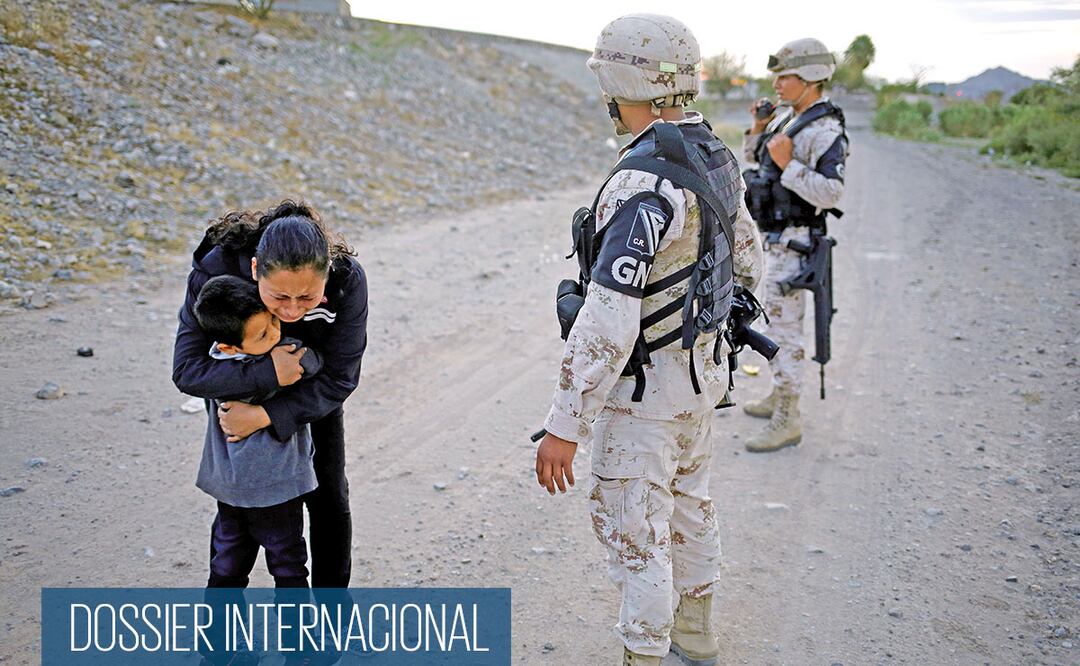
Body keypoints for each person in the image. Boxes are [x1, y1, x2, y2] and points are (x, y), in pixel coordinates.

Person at [534, 14, 763, 666]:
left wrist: (564, 424)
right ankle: (696, 631)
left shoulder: (642, 181)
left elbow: (608, 320)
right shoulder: (715, 155)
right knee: (691, 506)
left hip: (644, 396)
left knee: (636, 534)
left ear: (619, 83)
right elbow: (750, 263)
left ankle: (644, 653)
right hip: (701, 378)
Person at [173, 201, 368, 589]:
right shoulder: (217, 273)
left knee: (328, 494)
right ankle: (224, 616)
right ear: (254, 270)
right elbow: (188, 369)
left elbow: (340, 378)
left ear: (327, 273)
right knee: (238, 506)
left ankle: (330, 615)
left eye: (308, 298)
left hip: (313, 394)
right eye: (279, 298)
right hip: (238, 391)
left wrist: (267, 415)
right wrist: (267, 373)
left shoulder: (347, 280)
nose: (292, 311)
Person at [740, 38, 849, 453]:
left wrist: (790, 165)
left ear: (811, 78)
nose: (777, 84)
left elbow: (831, 192)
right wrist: (758, 128)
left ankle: (789, 417)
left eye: (785, 76)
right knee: (773, 322)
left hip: (796, 242)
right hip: (773, 239)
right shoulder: (788, 119)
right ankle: (778, 394)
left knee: (784, 330)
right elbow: (757, 160)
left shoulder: (826, 130)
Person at [192, 275, 322, 590]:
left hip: (231, 485)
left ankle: (218, 622)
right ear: (228, 346)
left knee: (227, 563)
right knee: (288, 564)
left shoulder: (214, 367)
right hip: (278, 485)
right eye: (264, 333)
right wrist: (287, 360)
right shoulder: (284, 351)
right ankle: (295, 623)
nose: (275, 333)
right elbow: (314, 363)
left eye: (274, 323)